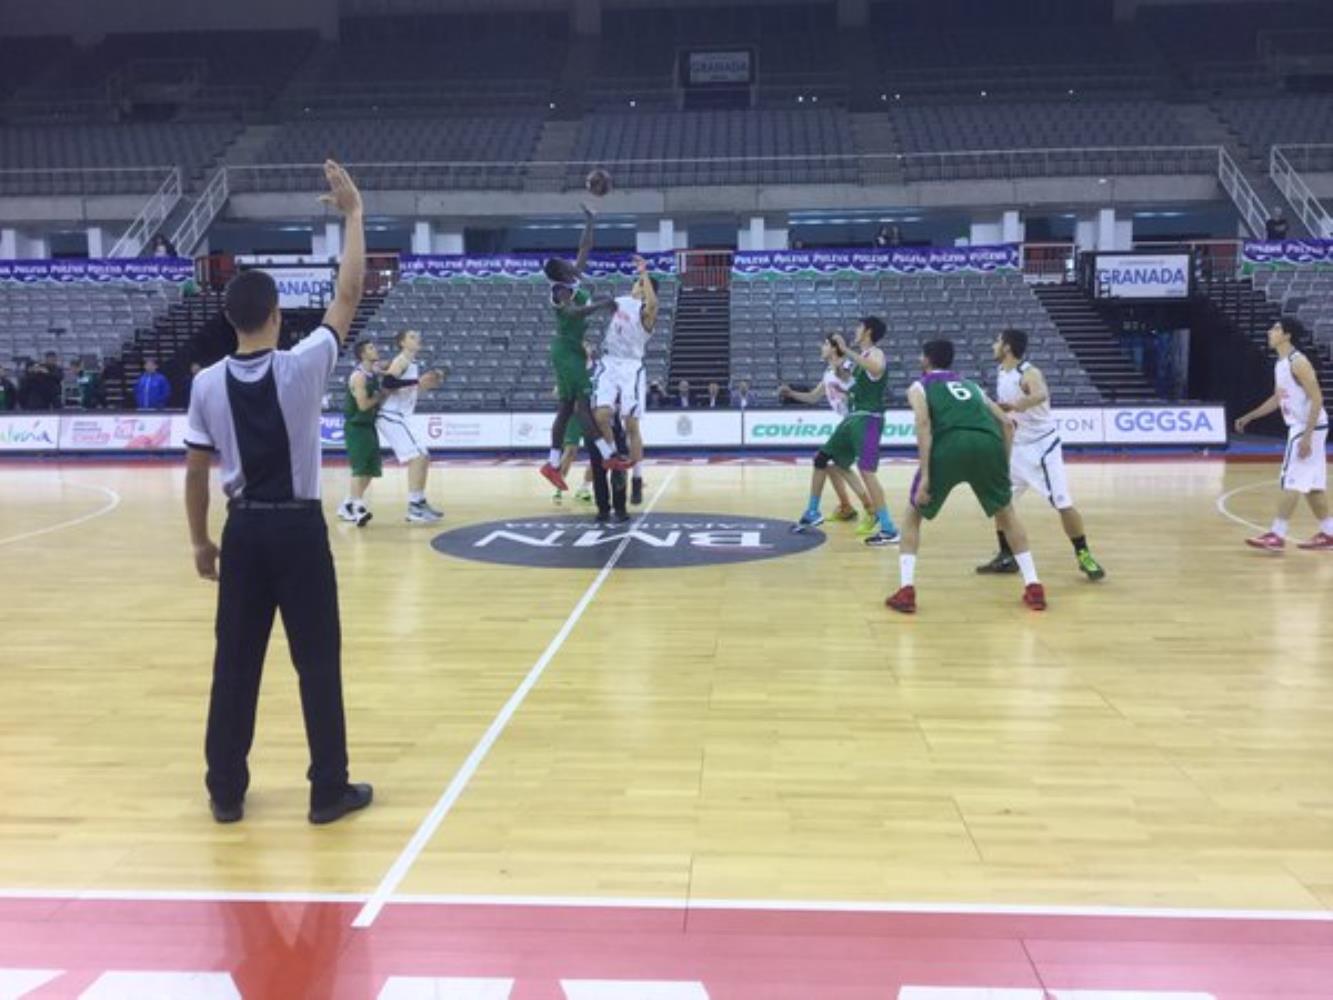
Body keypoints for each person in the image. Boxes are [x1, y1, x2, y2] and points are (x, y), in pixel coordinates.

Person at [183, 160, 372, 825]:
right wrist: (352, 213)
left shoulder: (205, 385)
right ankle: (328, 790)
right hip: (297, 530)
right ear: (276, 314)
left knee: (233, 664)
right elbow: (347, 295)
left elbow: (196, 472)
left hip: (242, 530)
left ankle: (225, 790)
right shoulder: (300, 367)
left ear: (233, 318)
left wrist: (201, 542)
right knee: (317, 661)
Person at [887, 339, 1046, 614]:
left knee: (913, 516)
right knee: (1007, 514)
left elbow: (924, 425)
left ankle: (906, 591)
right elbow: (1007, 424)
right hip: (988, 445)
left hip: (949, 446)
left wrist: (926, 475)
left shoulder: (919, 386)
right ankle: (1034, 586)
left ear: (926, 360)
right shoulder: (971, 386)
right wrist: (1002, 466)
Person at [975, 328, 1106, 580]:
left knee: (1062, 502)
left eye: (997, 341)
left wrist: (1015, 405)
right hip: (1016, 448)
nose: (993, 345)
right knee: (1001, 503)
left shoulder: (1029, 372)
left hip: (1042, 448)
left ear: (1007, 347)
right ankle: (1006, 556)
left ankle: (1084, 555)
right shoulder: (1002, 372)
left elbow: (1041, 394)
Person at [539, 204, 631, 493]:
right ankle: (608, 456)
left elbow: (585, 246)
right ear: (558, 272)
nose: (572, 264)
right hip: (566, 352)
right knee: (579, 409)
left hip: (573, 351)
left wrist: (590, 222)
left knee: (569, 408)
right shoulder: (558, 290)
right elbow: (573, 313)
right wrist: (603, 304)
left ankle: (554, 465)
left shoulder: (572, 279)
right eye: (566, 265)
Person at [791, 317, 900, 546]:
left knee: (867, 472)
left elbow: (878, 368)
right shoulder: (859, 363)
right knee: (822, 459)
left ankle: (888, 527)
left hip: (869, 418)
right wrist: (840, 371)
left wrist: (846, 350)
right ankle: (813, 511)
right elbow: (852, 386)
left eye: (859, 327)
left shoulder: (875, 353)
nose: (855, 330)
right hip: (853, 419)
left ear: (868, 332)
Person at [1236, 318, 1332, 551]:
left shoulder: (1297, 361)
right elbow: (1279, 399)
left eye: (1276, 328)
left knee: (1291, 480)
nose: (1270, 331)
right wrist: (1250, 416)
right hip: (1306, 427)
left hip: (1307, 426)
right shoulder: (1280, 364)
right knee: (1311, 485)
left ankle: (1277, 535)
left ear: (1287, 335)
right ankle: (1329, 534)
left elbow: (1317, 398)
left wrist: (1307, 436)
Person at [780, 337, 877, 533]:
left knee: (823, 459)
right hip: (849, 422)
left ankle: (816, 511)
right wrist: (792, 394)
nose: (820, 347)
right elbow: (814, 397)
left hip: (858, 420)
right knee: (834, 465)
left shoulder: (847, 364)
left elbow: (849, 382)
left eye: (824, 344)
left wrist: (838, 366)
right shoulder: (827, 372)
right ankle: (849, 508)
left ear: (834, 348)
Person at [594, 256, 657, 505]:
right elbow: (600, 306)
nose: (635, 286)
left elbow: (652, 304)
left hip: (631, 367)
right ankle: (612, 458)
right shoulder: (621, 302)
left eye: (639, 284)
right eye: (636, 282)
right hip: (609, 363)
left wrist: (645, 273)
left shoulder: (646, 313)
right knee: (600, 416)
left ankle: (637, 479)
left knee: (631, 424)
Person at [377, 330, 446, 523]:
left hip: (401, 416)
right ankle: (414, 507)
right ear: (402, 343)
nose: (418, 339)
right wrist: (417, 381)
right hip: (391, 415)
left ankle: (419, 501)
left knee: (423, 456)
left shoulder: (412, 363)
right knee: (419, 456)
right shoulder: (401, 360)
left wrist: (425, 385)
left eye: (418, 336)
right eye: (412, 337)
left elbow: (407, 387)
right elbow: (388, 381)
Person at [338, 338, 392, 528]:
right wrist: (380, 396)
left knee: (370, 470)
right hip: (356, 426)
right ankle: (358, 507)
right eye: (370, 348)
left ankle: (348, 503)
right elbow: (363, 405)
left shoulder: (372, 372)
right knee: (359, 468)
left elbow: (387, 366)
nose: (375, 350)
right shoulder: (359, 377)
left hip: (369, 426)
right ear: (363, 354)